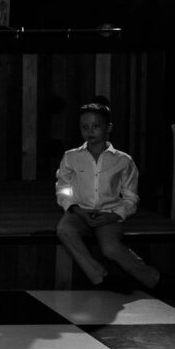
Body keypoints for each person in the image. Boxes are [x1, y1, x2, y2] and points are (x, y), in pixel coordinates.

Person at [55, 96, 164, 291]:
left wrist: (113, 216)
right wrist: (76, 210)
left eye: (96, 126)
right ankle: (101, 277)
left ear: (109, 128)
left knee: (110, 247)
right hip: (79, 212)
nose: (90, 131)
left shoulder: (123, 161)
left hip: (109, 213)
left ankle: (154, 280)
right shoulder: (71, 157)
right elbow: (62, 187)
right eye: (84, 127)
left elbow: (131, 197)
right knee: (65, 230)